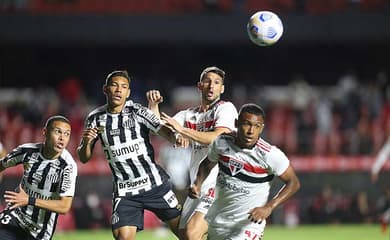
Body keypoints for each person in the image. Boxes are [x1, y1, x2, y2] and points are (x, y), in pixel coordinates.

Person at [77, 70, 183, 240]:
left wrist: (176, 136)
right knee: (123, 238)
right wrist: (87, 143)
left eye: (124, 87)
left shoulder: (137, 111)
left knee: (187, 234)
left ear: (128, 93)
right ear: (105, 89)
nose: (119, 90)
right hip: (126, 191)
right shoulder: (95, 118)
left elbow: (161, 129)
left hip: (154, 184)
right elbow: (83, 157)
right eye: (115, 85)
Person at [147, 66, 238, 240]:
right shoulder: (188, 114)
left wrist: (183, 131)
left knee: (191, 233)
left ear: (222, 88)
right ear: (199, 86)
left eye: (217, 83)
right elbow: (162, 130)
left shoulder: (226, 109)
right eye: (207, 81)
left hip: (220, 185)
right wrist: (153, 106)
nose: (212, 86)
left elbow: (215, 139)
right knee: (183, 236)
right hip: (198, 187)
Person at [190, 103, 300, 240]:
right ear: (236, 123)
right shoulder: (222, 142)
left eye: (256, 126)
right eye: (247, 124)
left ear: (262, 128)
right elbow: (207, 164)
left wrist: (269, 207)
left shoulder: (270, 155)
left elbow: (293, 182)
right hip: (218, 223)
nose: (251, 131)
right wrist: (197, 183)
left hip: (248, 226)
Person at [0, 115, 77, 240]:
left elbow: (64, 206)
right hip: (16, 216)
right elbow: (2, 164)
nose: (62, 138)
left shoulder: (68, 166)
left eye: (67, 134)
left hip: (40, 231)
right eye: (58, 132)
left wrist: (29, 200)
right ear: (45, 132)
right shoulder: (27, 152)